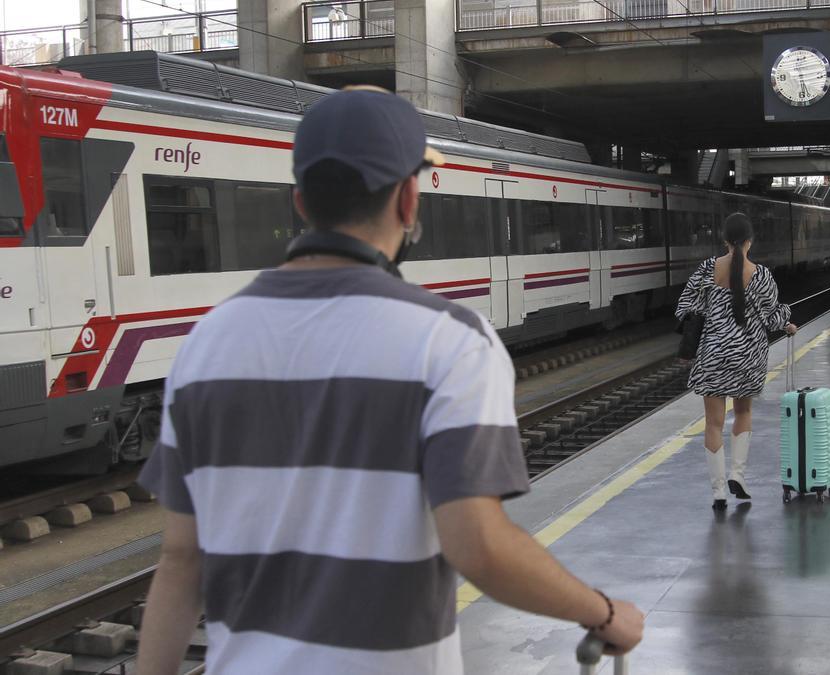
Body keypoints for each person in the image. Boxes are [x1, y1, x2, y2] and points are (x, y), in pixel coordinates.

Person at [135, 88, 643, 675]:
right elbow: (478, 546)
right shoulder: (448, 339)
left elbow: (180, 562)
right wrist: (602, 612)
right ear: (408, 199)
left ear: (302, 202)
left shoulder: (206, 343)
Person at [677, 213, 797, 511]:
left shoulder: (706, 269)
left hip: (713, 356)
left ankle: (718, 491)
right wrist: (787, 320)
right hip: (749, 357)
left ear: (724, 240)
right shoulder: (761, 275)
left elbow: (684, 308)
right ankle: (738, 475)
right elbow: (771, 319)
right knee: (742, 412)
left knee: (713, 423)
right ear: (749, 241)